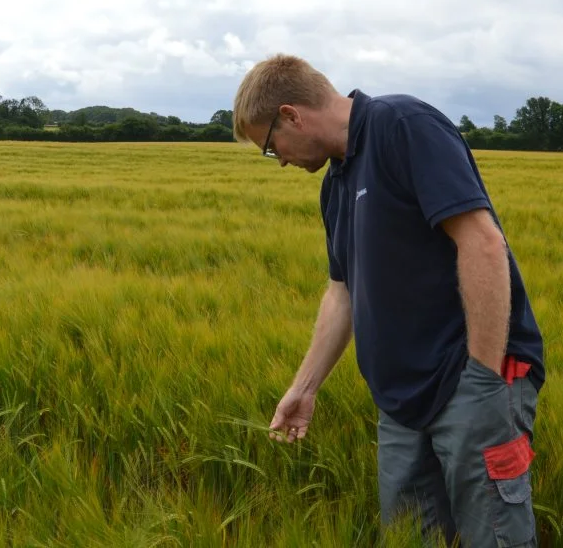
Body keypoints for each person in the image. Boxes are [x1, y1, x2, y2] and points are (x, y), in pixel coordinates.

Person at [231, 54, 546, 548]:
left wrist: (483, 378)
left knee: (495, 538)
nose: (282, 160)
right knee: (405, 537)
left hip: (470, 382)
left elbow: (482, 242)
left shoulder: (403, 126)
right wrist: (306, 387)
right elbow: (343, 293)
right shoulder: (334, 184)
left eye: (271, 147)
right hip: (399, 400)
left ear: (291, 115)